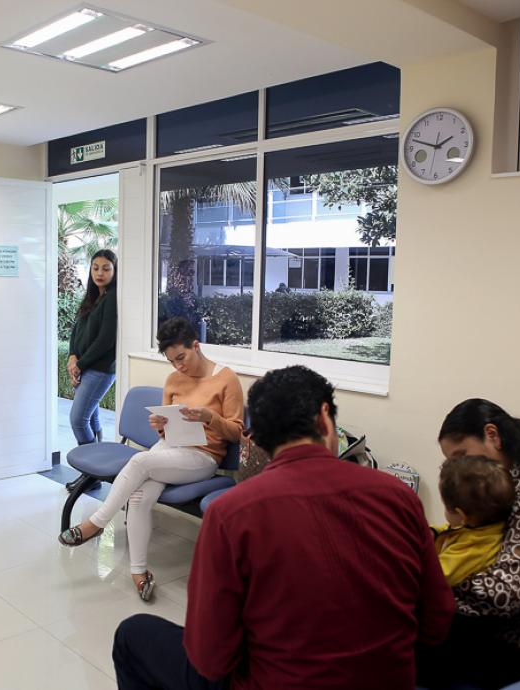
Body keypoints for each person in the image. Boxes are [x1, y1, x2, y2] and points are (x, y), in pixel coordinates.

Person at [112, 365, 454, 690]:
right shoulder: (399, 497)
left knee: (133, 635)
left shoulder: (232, 514)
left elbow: (210, 659)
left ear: (257, 436)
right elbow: (437, 621)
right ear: (324, 417)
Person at [60, 316, 243, 602]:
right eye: (172, 361)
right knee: (139, 498)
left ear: (196, 346)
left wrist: (209, 417)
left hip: (203, 456)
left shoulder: (226, 379)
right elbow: (166, 423)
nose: (179, 366)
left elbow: (236, 433)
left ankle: (96, 523)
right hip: (169, 448)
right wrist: (160, 424)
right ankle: (139, 571)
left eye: (182, 357)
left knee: (138, 462)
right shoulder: (173, 379)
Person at [417, 399, 520, 689]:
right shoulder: (505, 481)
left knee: (411, 644)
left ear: (492, 435)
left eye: (461, 455)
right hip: (499, 627)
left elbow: (506, 594)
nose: (459, 467)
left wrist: (437, 588)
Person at [433, 454, 515, 587]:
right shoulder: (481, 525)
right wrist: (432, 531)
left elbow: (434, 578)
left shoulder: (474, 550)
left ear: (461, 515)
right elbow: (452, 530)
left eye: (446, 507)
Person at [67, 249, 118, 446]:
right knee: (91, 418)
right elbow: (76, 328)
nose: (99, 273)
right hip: (85, 366)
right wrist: (72, 356)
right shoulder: (93, 296)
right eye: (95, 268)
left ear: (114, 271)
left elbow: (106, 339)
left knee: (78, 421)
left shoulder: (112, 297)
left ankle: (89, 470)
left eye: (106, 269)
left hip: (100, 369)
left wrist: (80, 364)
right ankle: (93, 469)